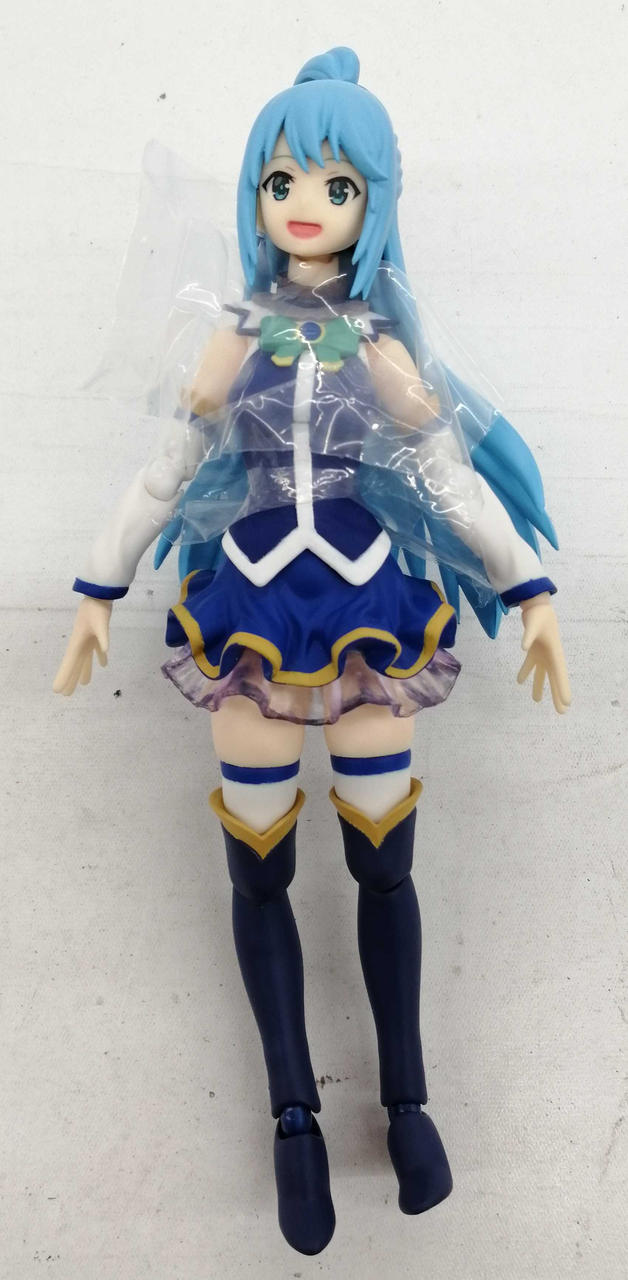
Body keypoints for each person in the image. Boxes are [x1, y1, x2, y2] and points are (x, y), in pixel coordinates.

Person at [54, 47, 571, 1257]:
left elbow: (446, 481)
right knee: (258, 870)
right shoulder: (227, 340)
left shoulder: (385, 348)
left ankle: (407, 1101)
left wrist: (529, 587)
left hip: (366, 611)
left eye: (336, 185)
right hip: (247, 615)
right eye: (281, 178)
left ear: (371, 203)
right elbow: (166, 471)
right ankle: (293, 1112)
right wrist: (96, 587)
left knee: (386, 862)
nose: (303, 201)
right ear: (256, 192)